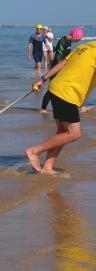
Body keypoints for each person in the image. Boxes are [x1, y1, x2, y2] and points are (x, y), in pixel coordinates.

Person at [25, 40, 96, 174]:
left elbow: (63, 63)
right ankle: (34, 151)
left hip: (56, 87)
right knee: (74, 133)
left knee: (63, 132)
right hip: (67, 93)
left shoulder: (86, 46)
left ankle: (47, 167)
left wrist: (43, 79)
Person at [40, 27, 85, 113]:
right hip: (57, 69)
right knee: (52, 88)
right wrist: (58, 69)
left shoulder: (68, 42)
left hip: (62, 68)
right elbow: (58, 56)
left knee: (68, 86)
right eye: (78, 39)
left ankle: (80, 106)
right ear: (75, 36)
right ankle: (43, 108)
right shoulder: (63, 41)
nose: (78, 41)